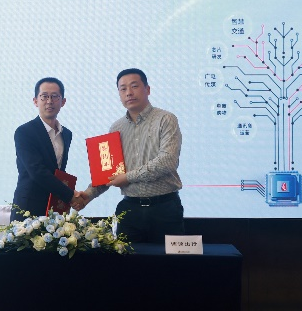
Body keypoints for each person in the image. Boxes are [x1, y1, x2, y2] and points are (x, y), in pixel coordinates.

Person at [75, 68, 185, 243]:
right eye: (123, 89)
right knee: (127, 260)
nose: (129, 93)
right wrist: (87, 195)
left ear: (147, 89)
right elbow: (108, 173)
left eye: (134, 86)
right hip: (130, 210)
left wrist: (127, 177)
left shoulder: (165, 119)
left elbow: (167, 161)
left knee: (168, 260)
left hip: (165, 208)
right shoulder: (116, 128)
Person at [10, 77, 84, 221]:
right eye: (44, 96)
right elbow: (37, 171)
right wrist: (70, 195)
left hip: (55, 206)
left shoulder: (66, 134)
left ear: (63, 102)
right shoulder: (24, 132)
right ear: (35, 101)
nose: (49, 101)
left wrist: (67, 197)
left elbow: (58, 172)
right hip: (28, 208)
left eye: (55, 96)